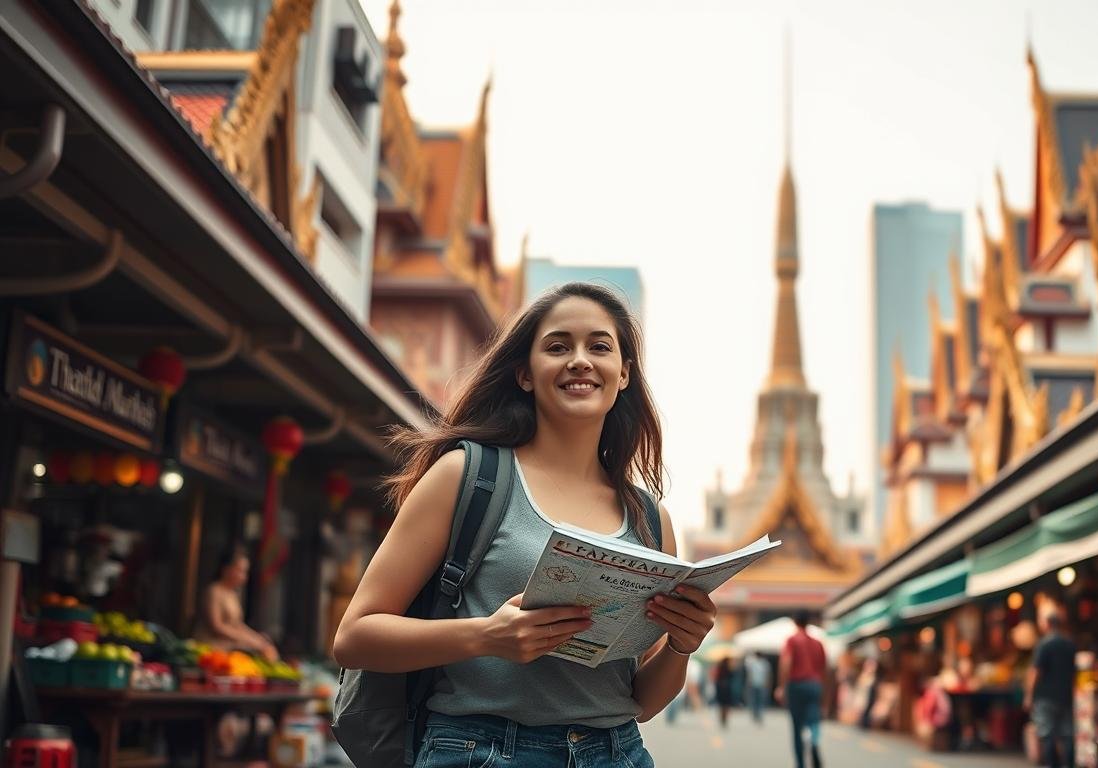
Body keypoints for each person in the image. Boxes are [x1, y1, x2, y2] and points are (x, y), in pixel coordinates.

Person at [333, 283, 717, 768]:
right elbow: (354, 637)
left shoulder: (649, 519)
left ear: (623, 374)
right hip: (481, 752)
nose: (580, 360)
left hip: (616, 754)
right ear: (525, 374)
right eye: (558, 347)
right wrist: (487, 637)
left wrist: (682, 644)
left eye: (599, 346)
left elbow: (641, 699)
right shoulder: (467, 476)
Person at [196, 547, 278, 661]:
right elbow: (217, 626)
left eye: (245, 572)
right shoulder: (214, 591)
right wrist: (249, 641)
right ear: (226, 569)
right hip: (210, 652)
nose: (243, 576)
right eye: (240, 570)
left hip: (227, 651)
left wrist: (258, 639)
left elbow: (237, 624)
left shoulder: (232, 594)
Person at [1024, 611, 1077, 768]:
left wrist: (1029, 695)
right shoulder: (1070, 644)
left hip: (1045, 697)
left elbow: (1036, 672)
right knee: (1067, 734)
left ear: (1047, 624)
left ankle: (1052, 765)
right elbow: (1074, 672)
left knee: (1047, 734)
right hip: (1066, 695)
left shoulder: (1044, 644)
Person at [776, 612, 827, 768]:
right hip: (815, 685)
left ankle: (800, 764)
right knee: (813, 720)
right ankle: (813, 739)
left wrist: (781, 687)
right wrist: (824, 693)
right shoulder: (818, 643)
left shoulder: (792, 640)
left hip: (797, 685)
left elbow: (786, 663)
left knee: (797, 726)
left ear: (794, 622)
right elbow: (825, 669)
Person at [744, 652, 771, 725]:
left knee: (759, 700)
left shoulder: (764, 663)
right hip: (755, 684)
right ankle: (756, 715)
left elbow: (767, 674)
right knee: (755, 700)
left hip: (760, 684)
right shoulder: (754, 663)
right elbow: (750, 674)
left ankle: (758, 715)